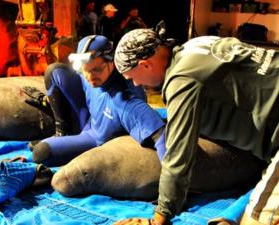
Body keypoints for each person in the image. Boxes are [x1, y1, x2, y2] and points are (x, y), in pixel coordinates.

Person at [113, 21, 279, 225]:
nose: (136, 84)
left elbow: (178, 154)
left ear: (145, 64)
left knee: (258, 218)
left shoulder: (181, 80)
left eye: (132, 78)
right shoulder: (197, 44)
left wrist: (160, 217)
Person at [23, 35, 166, 167]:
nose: (90, 76)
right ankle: (63, 132)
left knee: (41, 152)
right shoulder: (91, 76)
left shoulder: (125, 100)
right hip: (88, 118)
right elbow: (70, 76)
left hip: (95, 137)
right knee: (54, 71)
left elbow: (161, 135)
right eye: (84, 70)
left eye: (97, 69)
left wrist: (173, 185)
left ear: (112, 62)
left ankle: (69, 138)